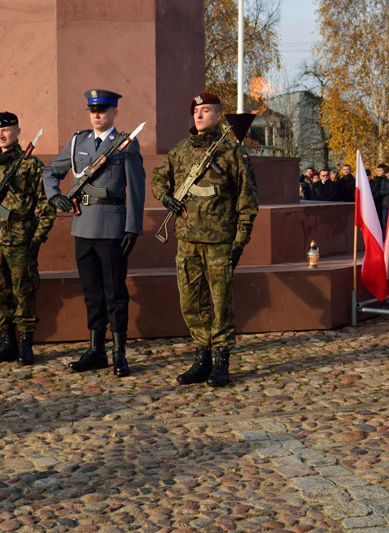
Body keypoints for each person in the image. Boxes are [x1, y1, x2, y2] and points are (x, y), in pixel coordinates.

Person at [151, 91, 258, 387]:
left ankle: (221, 361)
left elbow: (247, 202)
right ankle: (202, 358)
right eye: (196, 111)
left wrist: (239, 242)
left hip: (220, 242)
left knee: (221, 303)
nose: (199, 116)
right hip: (187, 241)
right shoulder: (181, 150)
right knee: (191, 302)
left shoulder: (234, 152)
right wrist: (166, 197)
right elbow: (158, 178)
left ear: (218, 115)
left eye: (206, 111)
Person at [44, 89, 145, 377]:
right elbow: (50, 171)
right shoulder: (78, 141)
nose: (97, 114)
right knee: (91, 293)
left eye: (102, 109)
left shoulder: (125, 144)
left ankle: (119, 353)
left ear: (115, 112)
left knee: (115, 293)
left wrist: (132, 228)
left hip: (113, 227)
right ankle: (96, 350)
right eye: (93, 110)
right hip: (83, 225)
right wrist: (54, 197)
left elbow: (136, 189)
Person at [0, 112, 56, 366]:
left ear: (18, 131)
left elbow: (47, 204)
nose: (2, 134)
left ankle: (25, 346)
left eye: (7, 129)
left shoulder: (32, 165)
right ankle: (7, 343)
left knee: (24, 293)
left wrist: (38, 237)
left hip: (21, 243)